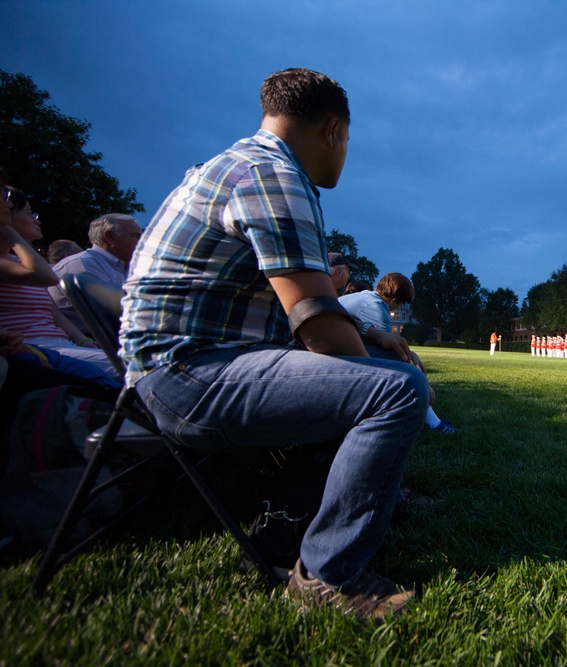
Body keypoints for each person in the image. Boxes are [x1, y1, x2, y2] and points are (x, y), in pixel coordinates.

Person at [119, 68, 429, 621]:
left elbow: (303, 316)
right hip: (187, 377)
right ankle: (328, 575)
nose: (345, 154)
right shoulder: (274, 177)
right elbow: (318, 326)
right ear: (332, 130)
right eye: (348, 142)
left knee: (379, 366)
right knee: (396, 390)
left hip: (191, 366)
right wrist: (377, 371)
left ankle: (359, 497)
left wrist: (371, 341)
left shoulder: (242, 164)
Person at [0, 187, 117, 378]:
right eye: (30, 214)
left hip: (61, 345)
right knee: (130, 371)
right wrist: (12, 235)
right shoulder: (16, 266)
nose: (37, 220)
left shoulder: (16, 263)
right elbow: (46, 277)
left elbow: (55, 315)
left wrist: (83, 341)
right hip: (33, 346)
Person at [340, 273, 458, 435]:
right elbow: (394, 350)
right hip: (337, 360)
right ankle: (431, 422)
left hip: (332, 351)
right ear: (395, 300)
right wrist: (423, 386)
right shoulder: (377, 308)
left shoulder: (365, 296)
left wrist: (412, 353)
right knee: (395, 359)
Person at [49, 213, 143, 333]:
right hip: (92, 341)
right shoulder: (83, 264)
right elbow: (118, 311)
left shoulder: (119, 266)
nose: (142, 243)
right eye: (135, 237)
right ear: (110, 237)